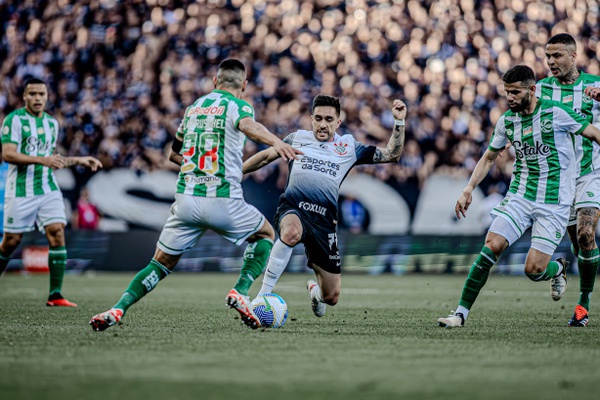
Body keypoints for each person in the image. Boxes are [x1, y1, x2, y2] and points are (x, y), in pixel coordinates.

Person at [89, 59, 301, 331]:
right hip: (222, 198)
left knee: (159, 263)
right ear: (244, 86)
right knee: (264, 235)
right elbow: (248, 125)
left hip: (186, 200)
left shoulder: (193, 109)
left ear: (215, 81)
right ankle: (241, 290)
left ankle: (118, 308)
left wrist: (197, 167)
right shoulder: (238, 106)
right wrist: (277, 142)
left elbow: (173, 154)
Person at [438, 65, 600, 328]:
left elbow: (594, 133)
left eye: (515, 92)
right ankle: (460, 314)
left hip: (554, 202)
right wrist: (468, 189)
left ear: (532, 90)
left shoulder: (556, 113)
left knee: (534, 270)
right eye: (507, 93)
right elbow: (489, 157)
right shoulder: (507, 121)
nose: (510, 98)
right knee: (492, 246)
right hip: (520, 196)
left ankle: (557, 269)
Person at [243, 95, 406, 317]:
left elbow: (392, 154)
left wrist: (399, 122)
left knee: (332, 297)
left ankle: (315, 293)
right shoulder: (296, 139)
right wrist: (236, 173)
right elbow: (265, 157)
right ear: (311, 119)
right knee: (290, 232)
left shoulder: (348, 146)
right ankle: (262, 297)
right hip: (294, 207)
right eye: (318, 118)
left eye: (329, 119)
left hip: (324, 223)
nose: (323, 124)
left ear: (338, 122)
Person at [0, 78, 103, 307]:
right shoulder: (13, 120)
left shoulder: (51, 124)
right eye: (32, 94)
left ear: (47, 97)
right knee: (10, 242)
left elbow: (52, 160)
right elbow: (8, 154)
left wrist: (78, 160)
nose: (37, 98)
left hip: (48, 187)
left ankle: (55, 294)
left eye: (41, 94)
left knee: (57, 232)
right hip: (20, 190)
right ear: (24, 96)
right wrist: (42, 160)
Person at [536, 33, 600, 327]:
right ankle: (561, 268)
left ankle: (583, 306)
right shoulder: (540, 89)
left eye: (557, 55)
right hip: (560, 178)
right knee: (578, 245)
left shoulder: (594, 85)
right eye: (548, 56)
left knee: (587, 235)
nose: (551, 62)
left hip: (591, 172)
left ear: (574, 57)